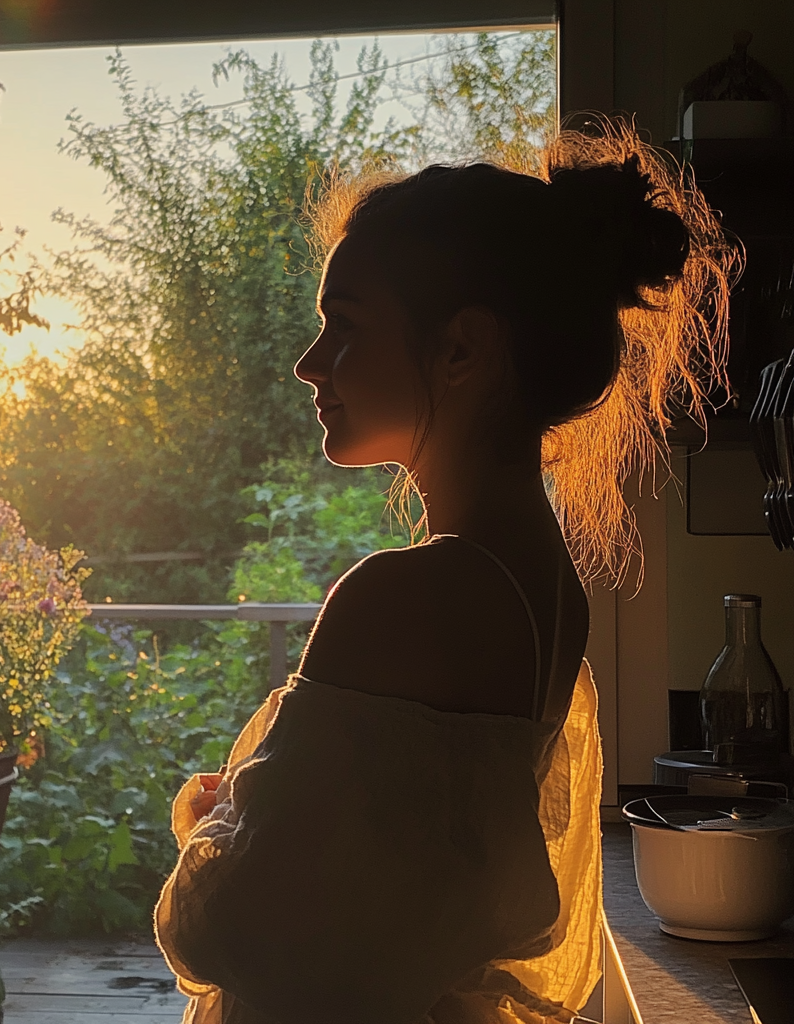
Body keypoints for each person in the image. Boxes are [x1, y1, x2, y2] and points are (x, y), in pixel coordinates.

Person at [154, 118, 735, 1024]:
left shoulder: (408, 596)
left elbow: (240, 934)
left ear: (461, 350)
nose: (310, 367)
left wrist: (213, 827)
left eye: (341, 327)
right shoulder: (547, 590)